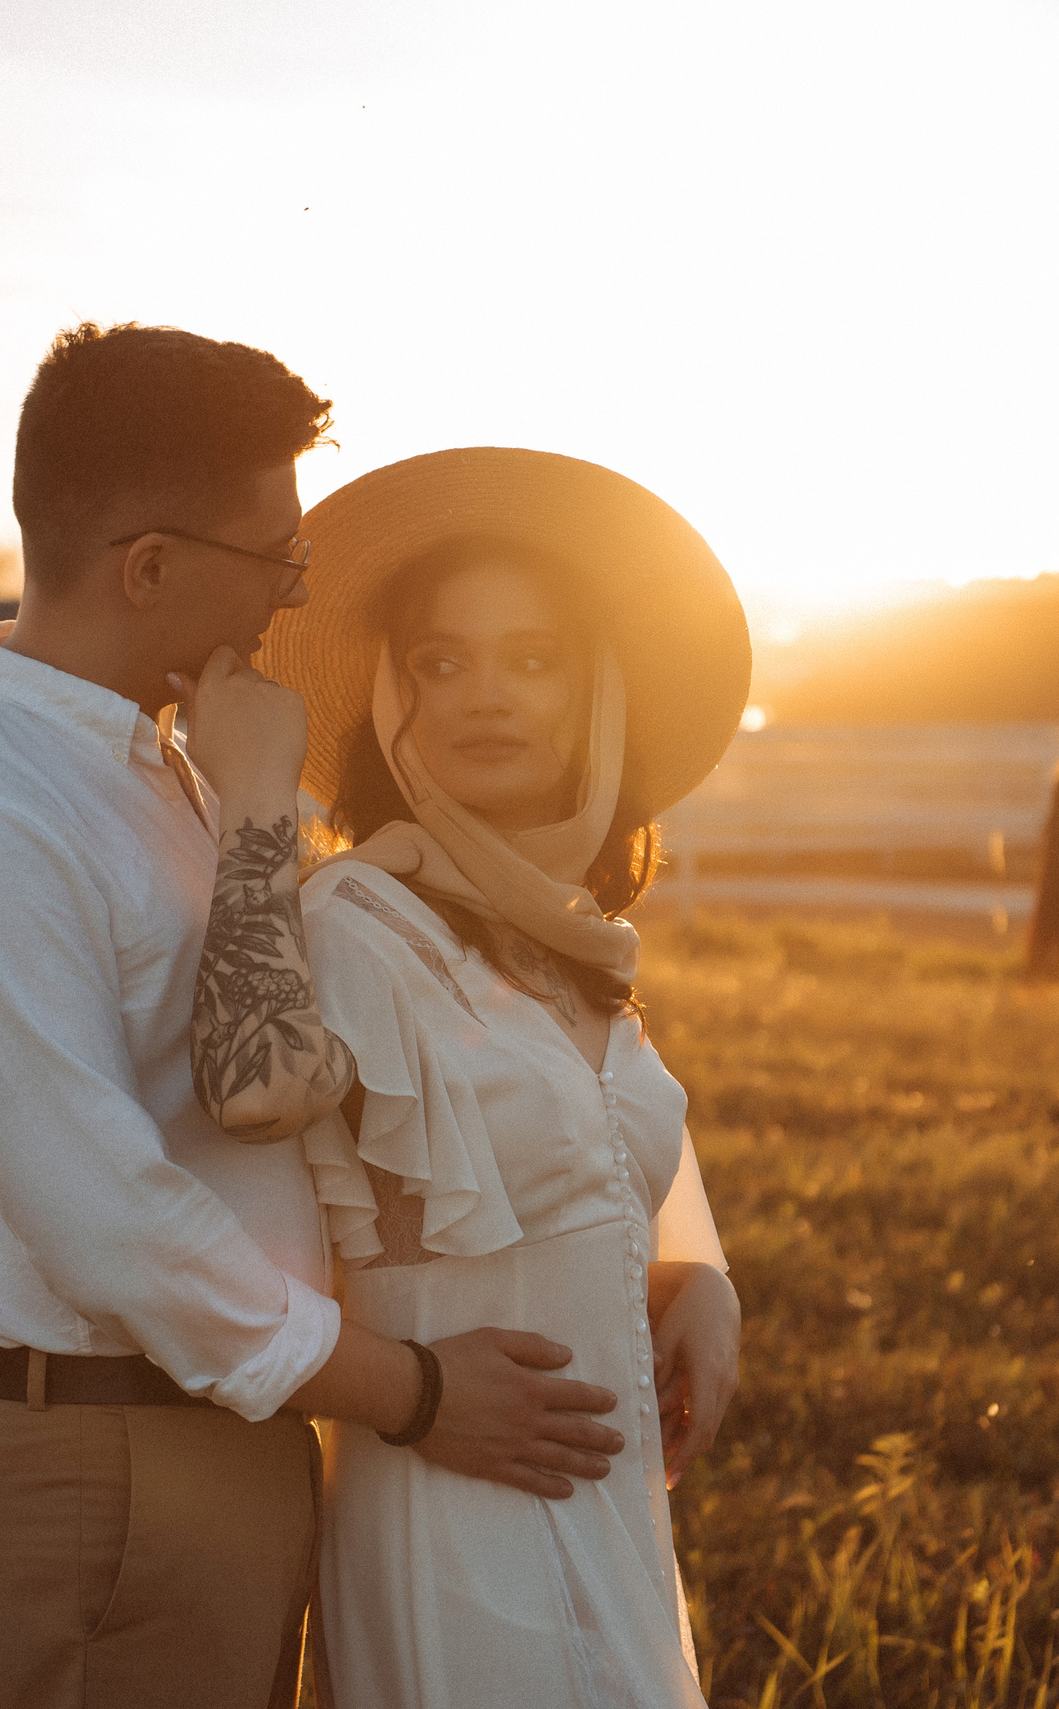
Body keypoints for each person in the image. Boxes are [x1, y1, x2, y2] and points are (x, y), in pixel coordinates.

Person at [0, 328, 630, 1709]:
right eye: (277, 561)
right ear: (149, 567)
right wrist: (417, 1391)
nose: (290, 597)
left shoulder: (168, 765)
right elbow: (111, 1220)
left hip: (228, 1434)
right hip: (101, 1454)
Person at [178, 447, 750, 1705]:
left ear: (594, 690)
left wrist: (699, 1269)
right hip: (453, 1507)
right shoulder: (357, 919)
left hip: (608, 1510)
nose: (486, 695)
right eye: (442, 660)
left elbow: (598, 1134)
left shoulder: (571, 938)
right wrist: (259, 799)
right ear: (393, 693)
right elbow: (249, 1080)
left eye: (533, 657)